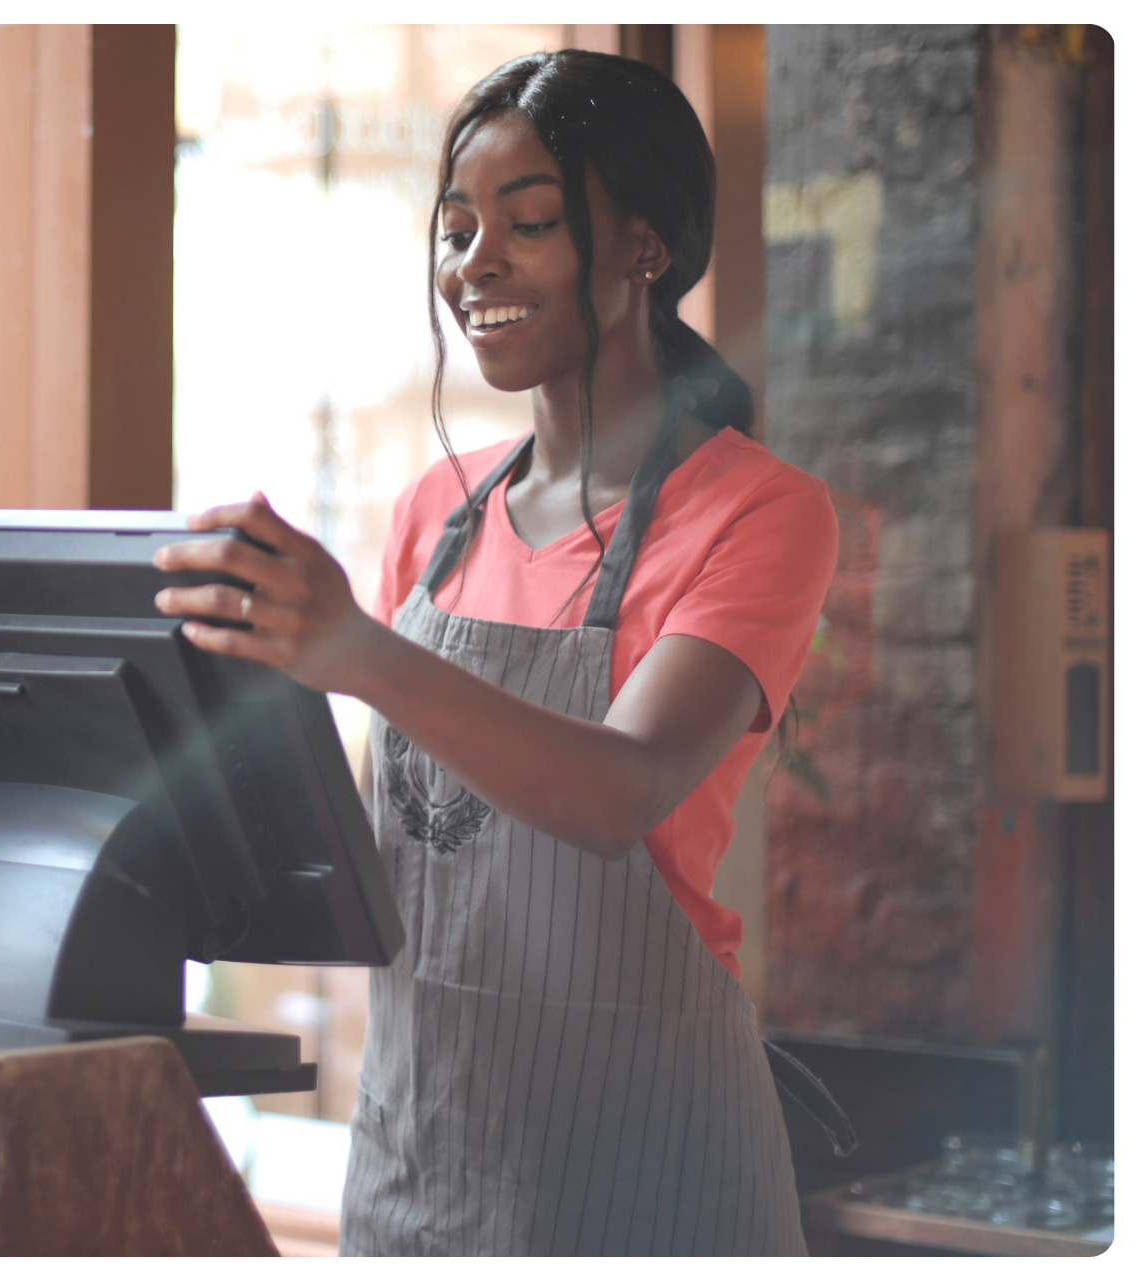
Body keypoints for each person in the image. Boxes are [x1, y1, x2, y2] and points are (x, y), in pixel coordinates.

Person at [153, 50, 837, 1256]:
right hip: (426, 1158)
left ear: (645, 246)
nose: (476, 266)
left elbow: (618, 791)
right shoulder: (436, 512)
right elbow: (392, 838)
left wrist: (355, 648)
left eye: (529, 223)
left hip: (652, 1178)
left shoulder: (757, 515)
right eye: (458, 229)